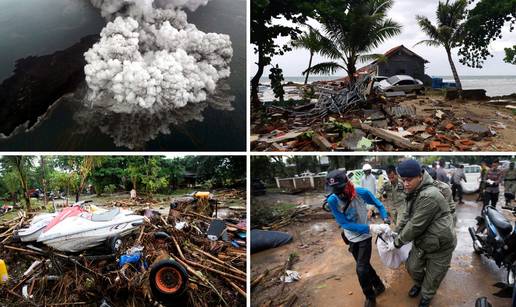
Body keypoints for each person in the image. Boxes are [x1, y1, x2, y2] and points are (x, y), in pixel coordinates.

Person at [392, 160, 456, 307]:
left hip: (440, 244)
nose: (406, 183)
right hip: (423, 241)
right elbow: (407, 216)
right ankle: (419, 284)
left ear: (420, 176)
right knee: (412, 267)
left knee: (433, 276)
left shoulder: (429, 194)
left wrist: (398, 242)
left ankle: (426, 297)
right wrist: (395, 233)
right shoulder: (414, 192)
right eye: (403, 180)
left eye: (409, 180)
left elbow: (415, 226)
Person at [326, 169, 390, 307]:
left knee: (360, 269)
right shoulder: (332, 200)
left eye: (340, 189)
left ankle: (370, 297)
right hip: (352, 236)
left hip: (364, 238)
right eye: (335, 191)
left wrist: (385, 219)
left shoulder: (361, 193)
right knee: (364, 265)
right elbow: (344, 223)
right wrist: (371, 228)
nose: (339, 194)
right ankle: (379, 285)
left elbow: (379, 205)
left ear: (348, 184)